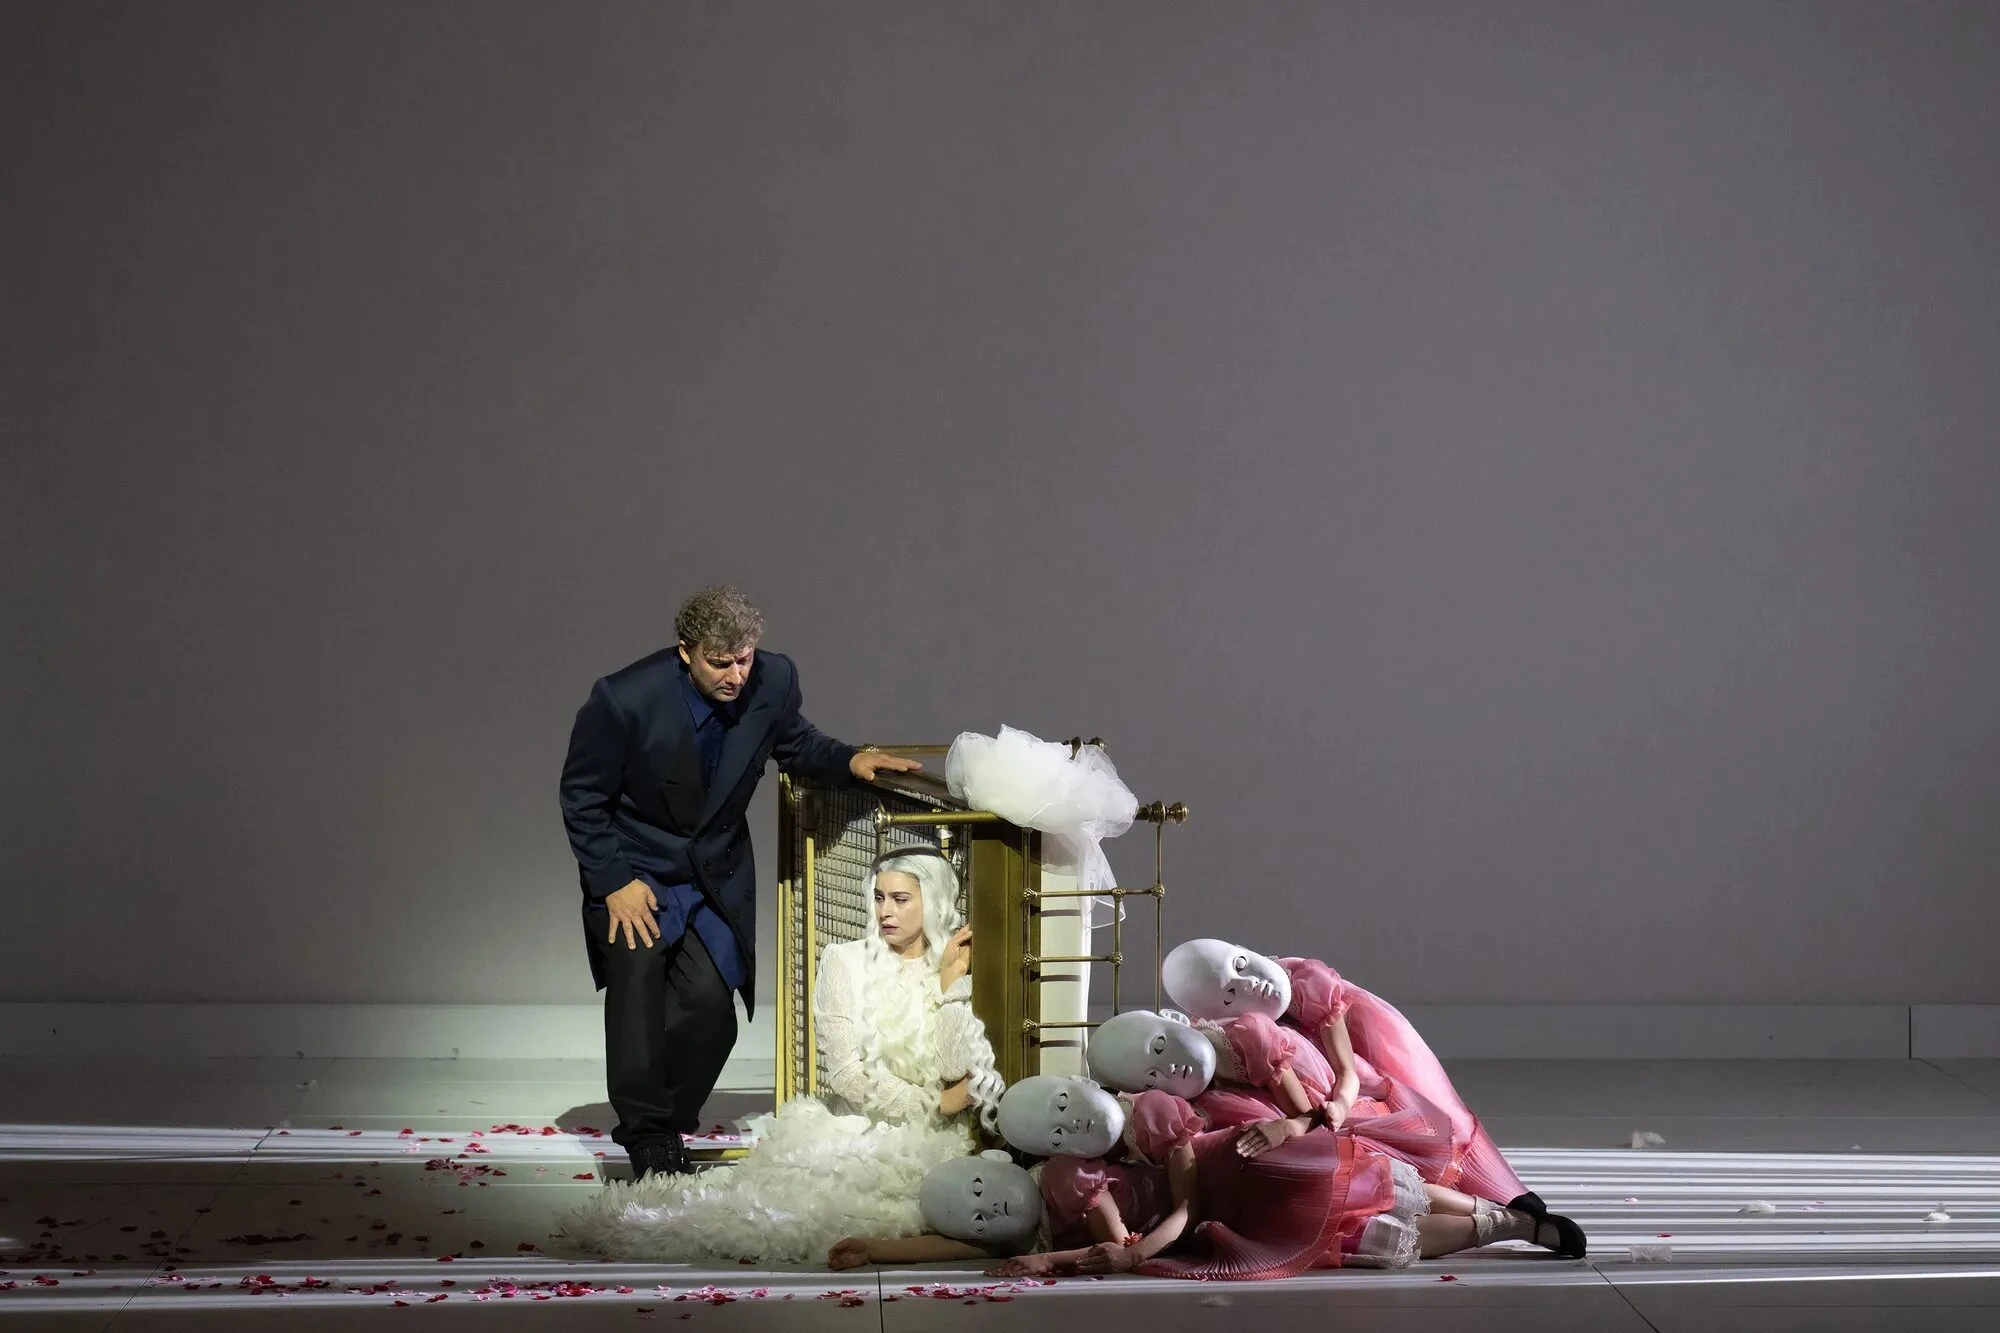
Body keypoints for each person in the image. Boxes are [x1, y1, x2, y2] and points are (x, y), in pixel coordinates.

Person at [558, 585, 920, 1180]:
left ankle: (667, 1117)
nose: (735, 675)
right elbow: (582, 796)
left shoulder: (773, 679)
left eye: (744, 659)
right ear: (686, 652)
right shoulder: (623, 699)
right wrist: (614, 881)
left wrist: (849, 759)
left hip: (713, 874)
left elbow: (795, 743)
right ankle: (648, 1135)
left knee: (710, 1012)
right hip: (637, 870)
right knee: (638, 996)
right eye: (719, 662)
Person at [560, 848, 1003, 1264]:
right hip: (860, 1126)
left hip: (932, 1140)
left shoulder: (953, 964)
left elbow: (953, 1068)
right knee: (789, 1219)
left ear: (935, 903)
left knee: (919, 1212)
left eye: (900, 899)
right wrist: (931, 1103)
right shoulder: (845, 961)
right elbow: (847, 1075)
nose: (885, 911)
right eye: (879, 897)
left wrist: (951, 985)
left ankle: (875, 1247)